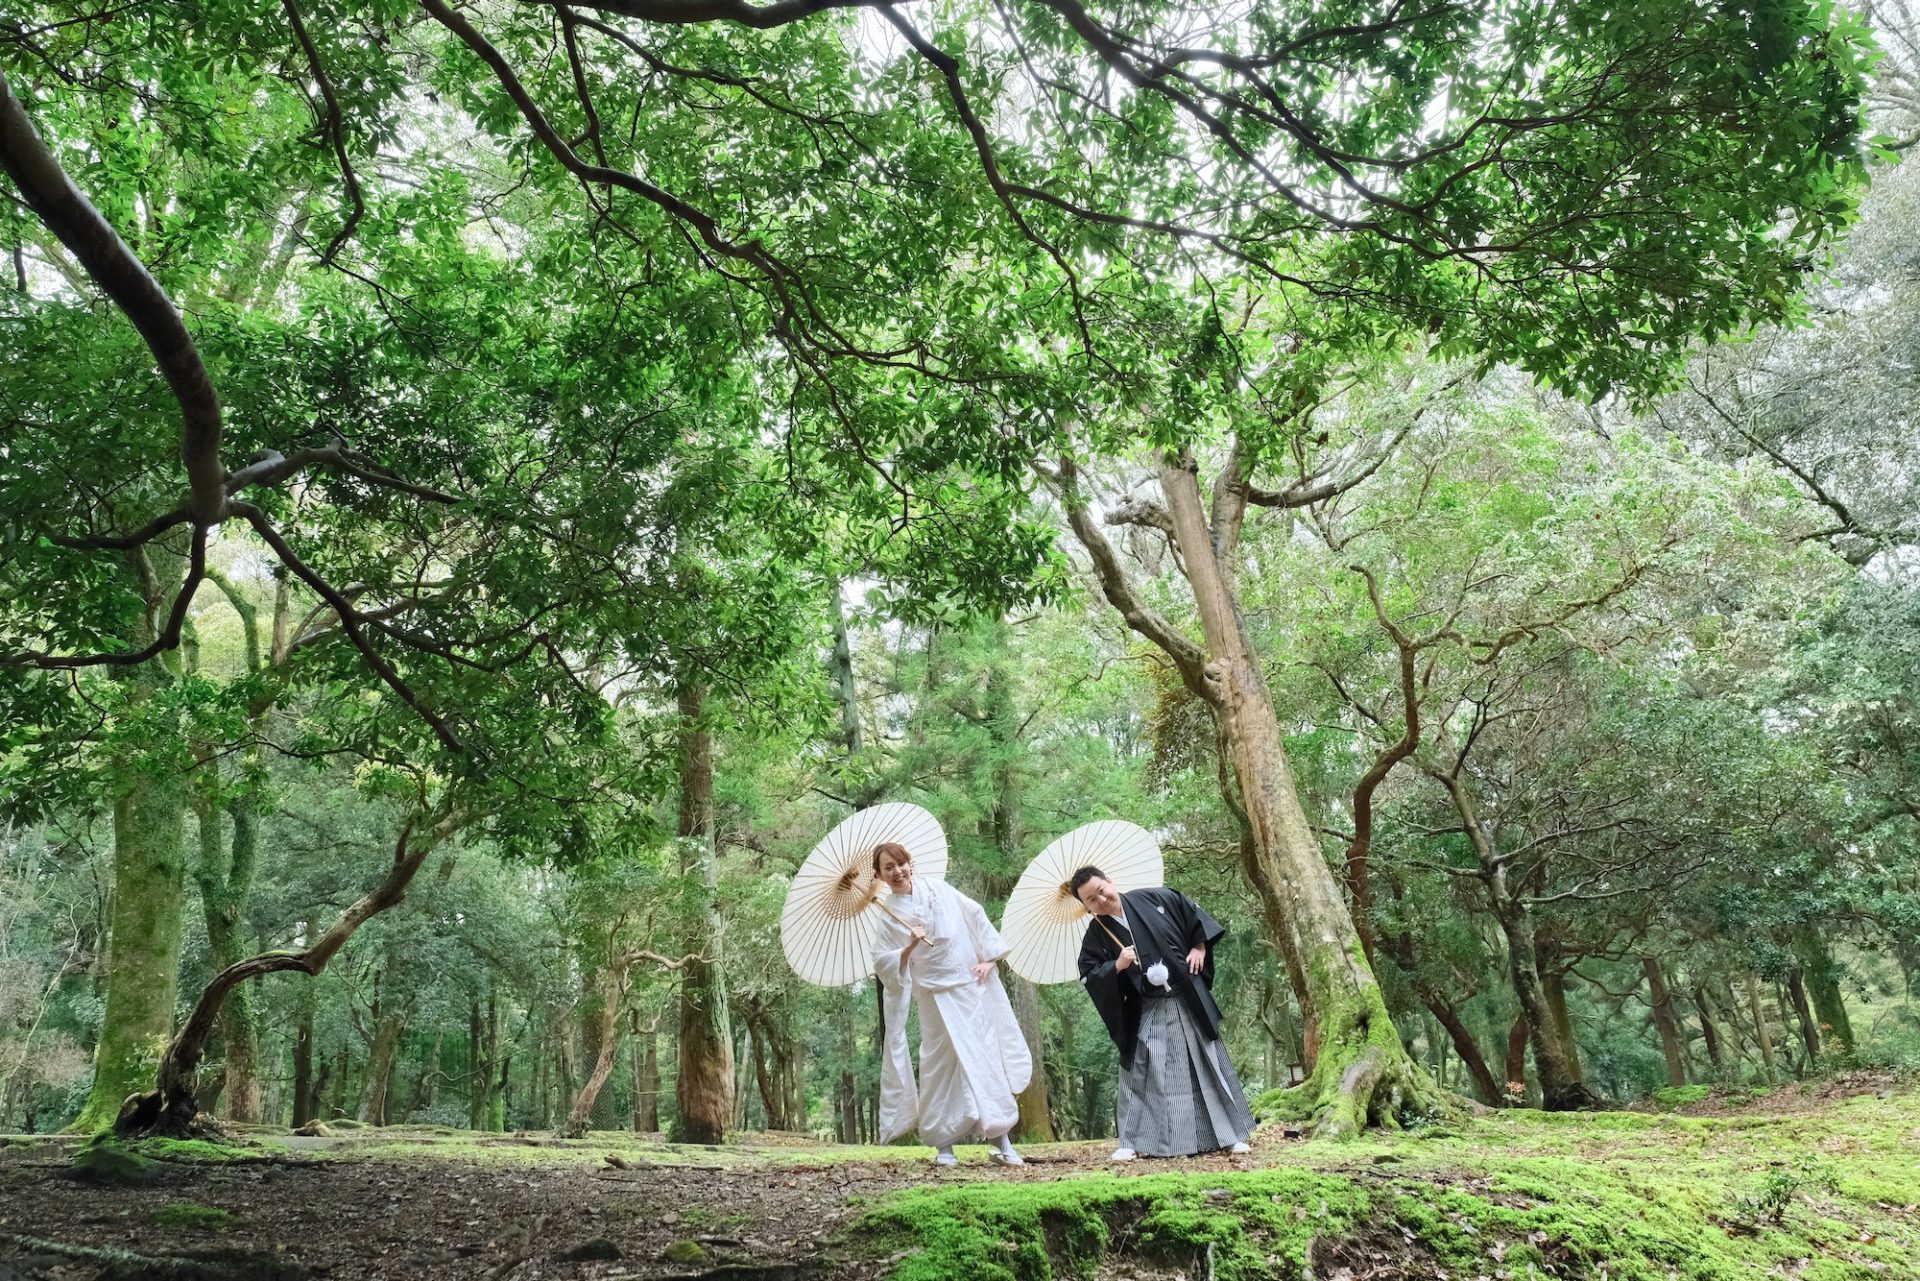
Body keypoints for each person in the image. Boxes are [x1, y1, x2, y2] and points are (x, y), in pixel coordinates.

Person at [1072, 865, 1255, 1161]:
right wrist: (1117, 965)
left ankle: (1230, 1136)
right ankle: (1130, 1142)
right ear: (1086, 906)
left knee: (1207, 1062)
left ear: (1109, 882)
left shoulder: (1153, 898)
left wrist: (1199, 947)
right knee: (1141, 1071)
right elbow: (1090, 974)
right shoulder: (1097, 934)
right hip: (1147, 1008)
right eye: (1091, 900)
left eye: (1101, 890)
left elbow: (1193, 916)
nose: (1101, 900)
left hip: (1186, 999)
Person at [869, 841, 1031, 1167]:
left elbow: (973, 914)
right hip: (933, 995)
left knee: (983, 1057)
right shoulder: (889, 917)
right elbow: (884, 964)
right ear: (880, 875)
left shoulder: (939, 889)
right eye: (889, 868)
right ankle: (943, 1143)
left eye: (901, 863)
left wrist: (989, 958)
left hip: (968, 985)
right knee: (937, 1063)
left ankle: (1001, 1139)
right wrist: (908, 946)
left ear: (910, 863)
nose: (897, 871)